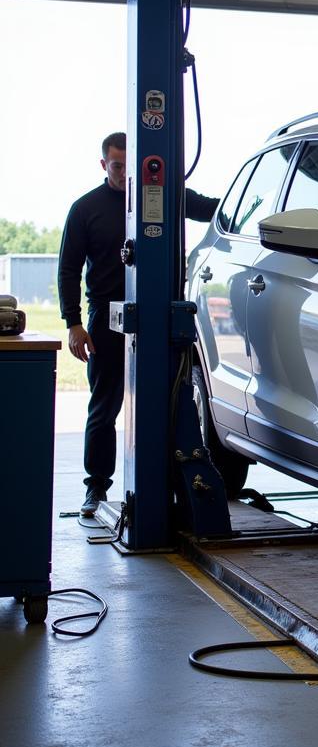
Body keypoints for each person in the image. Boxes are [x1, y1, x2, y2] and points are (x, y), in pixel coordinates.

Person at [58, 132, 220, 517]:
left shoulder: (162, 194)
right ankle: (96, 487)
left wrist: (249, 204)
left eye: (130, 166)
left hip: (158, 316)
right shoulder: (86, 209)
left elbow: (213, 209)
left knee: (165, 401)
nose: (124, 173)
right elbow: (68, 269)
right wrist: (73, 323)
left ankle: (172, 484)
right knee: (104, 406)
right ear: (103, 165)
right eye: (117, 167)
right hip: (105, 318)